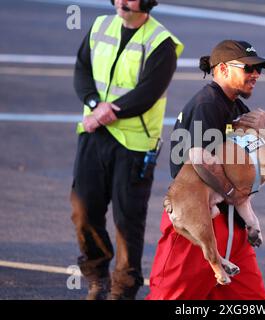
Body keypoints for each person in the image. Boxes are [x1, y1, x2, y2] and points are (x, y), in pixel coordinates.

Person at [147, 40, 265, 300]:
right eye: (248, 68)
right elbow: (201, 161)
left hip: (233, 228)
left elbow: (256, 166)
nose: (255, 75)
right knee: (172, 298)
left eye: (258, 70)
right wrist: (236, 192)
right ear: (221, 69)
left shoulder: (237, 107)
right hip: (199, 224)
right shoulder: (207, 105)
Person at [70, 0, 183, 300]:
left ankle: (123, 288)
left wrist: (108, 112)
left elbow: (148, 92)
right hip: (95, 135)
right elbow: (82, 70)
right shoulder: (100, 26)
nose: (122, 1)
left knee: (127, 221)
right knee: (83, 211)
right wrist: (95, 105)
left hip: (134, 144)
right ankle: (97, 276)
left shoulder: (162, 43)